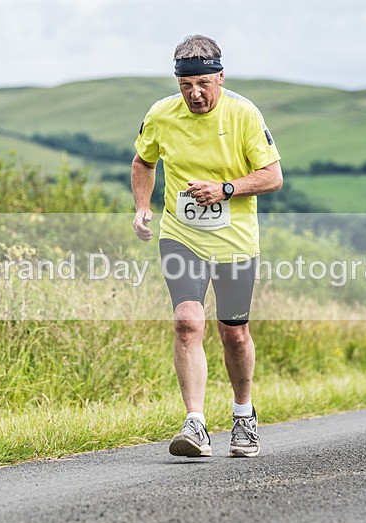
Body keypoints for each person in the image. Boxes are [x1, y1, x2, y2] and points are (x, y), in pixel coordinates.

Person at [131, 34, 282, 458]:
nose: (195, 94)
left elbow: (272, 176)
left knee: (233, 332)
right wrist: (142, 207)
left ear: (220, 76)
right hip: (182, 235)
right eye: (186, 86)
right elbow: (143, 161)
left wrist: (226, 188)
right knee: (187, 322)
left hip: (234, 240)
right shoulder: (161, 114)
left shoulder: (244, 114)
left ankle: (243, 416)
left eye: (203, 84)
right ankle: (195, 424)